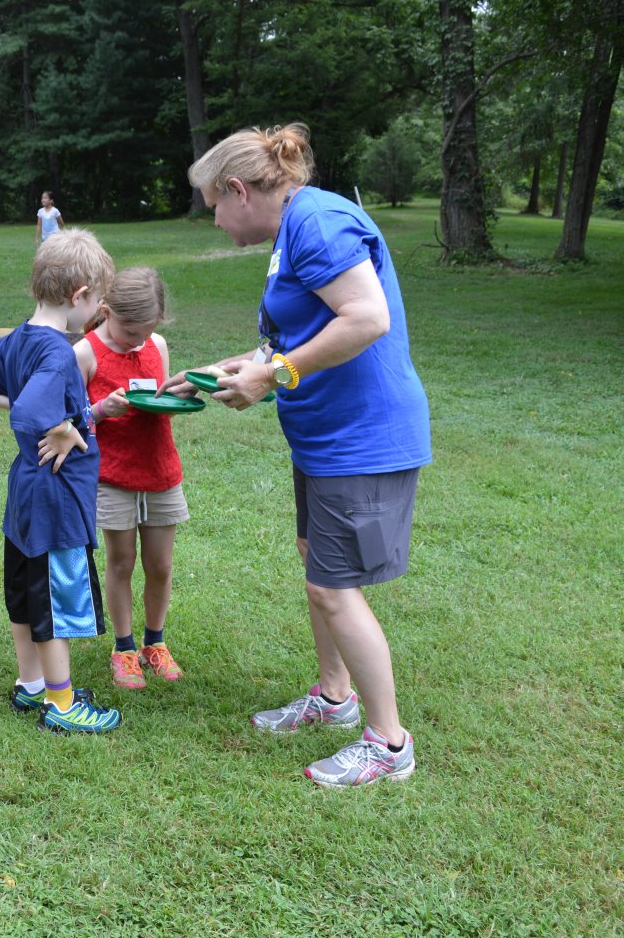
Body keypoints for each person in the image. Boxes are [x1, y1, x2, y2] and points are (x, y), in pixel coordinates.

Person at [163, 123, 432, 788]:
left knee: (333, 589)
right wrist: (222, 370)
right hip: (323, 437)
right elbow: (290, 339)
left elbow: (367, 317)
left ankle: (388, 742)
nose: (216, 222)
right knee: (319, 566)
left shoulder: (318, 222)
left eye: (213, 207)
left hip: (362, 439)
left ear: (237, 190)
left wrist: (272, 375)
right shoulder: (294, 231)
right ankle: (335, 699)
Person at [0, 228, 122, 734]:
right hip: (55, 500)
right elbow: (29, 411)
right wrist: (64, 426)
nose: (96, 315)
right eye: (97, 304)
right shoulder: (59, 352)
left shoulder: (18, 340)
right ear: (78, 295)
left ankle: (31, 685)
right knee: (56, 597)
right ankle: (62, 705)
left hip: (25, 493)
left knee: (24, 591)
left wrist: (41, 409)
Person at [74, 267, 188, 690]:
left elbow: (161, 404)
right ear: (105, 311)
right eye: (128, 332)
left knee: (160, 564)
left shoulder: (156, 345)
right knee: (121, 563)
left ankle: (154, 643)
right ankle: (124, 648)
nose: (137, 341)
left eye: (145, 332)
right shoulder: (84, 353)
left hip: (160, 471)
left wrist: (178, 399)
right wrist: (102, 410)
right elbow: (70, 420)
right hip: (112, 477)